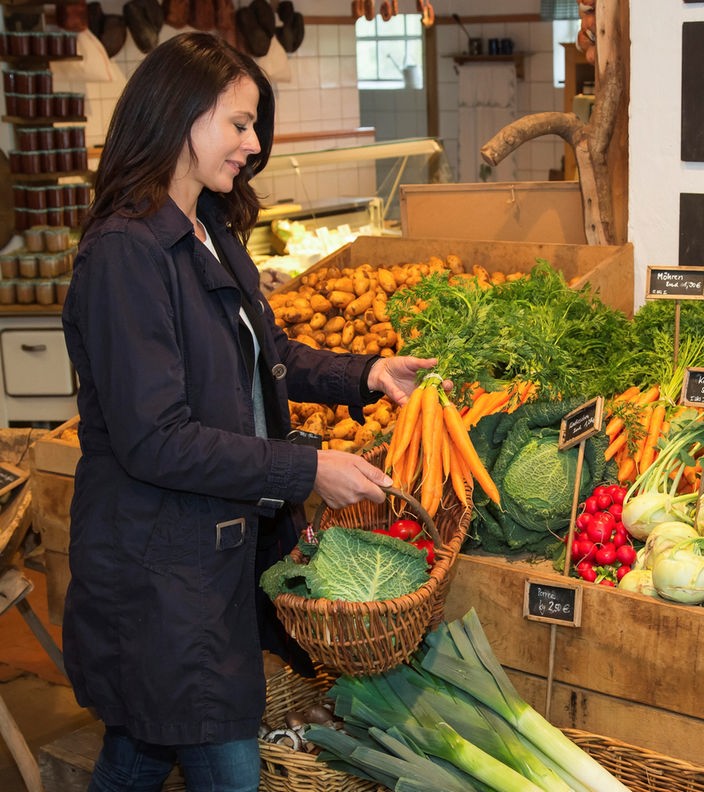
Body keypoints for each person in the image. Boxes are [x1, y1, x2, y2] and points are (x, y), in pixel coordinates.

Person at [61, 31, 446, 792]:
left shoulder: (209, 232)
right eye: (239, 123)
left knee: (140, 751)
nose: (254, 142)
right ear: (180, 115)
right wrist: (307, 468)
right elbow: (155, 440)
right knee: (218, 760)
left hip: (210, 564)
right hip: (160, 571)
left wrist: (365, 372)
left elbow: (268, 354)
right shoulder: (125, 255)